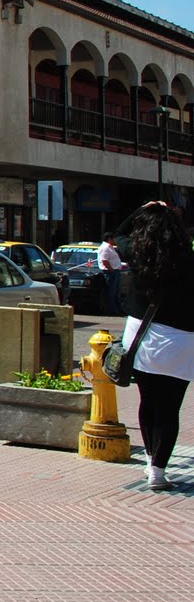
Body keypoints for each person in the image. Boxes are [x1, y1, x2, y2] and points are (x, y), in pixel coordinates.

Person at [120, 202, 194, 491]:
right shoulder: (188, 259)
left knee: (147, 401)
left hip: (141, 336)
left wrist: (142, 209)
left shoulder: (137, 254)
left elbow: (115, 233)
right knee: (169, 407)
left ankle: (151, 462)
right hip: (180, 341)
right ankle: (158, 471)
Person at [98, 232, 125, 315]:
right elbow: (104, 260)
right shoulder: (105, 248)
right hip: (110, 273)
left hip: (114, 272)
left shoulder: (110, 247)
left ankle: (117, 310)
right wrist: (111, 269)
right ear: (109, 239)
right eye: (113, 239)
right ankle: (111, 311)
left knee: (116, 293)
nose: (114, 241)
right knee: (111, 293)